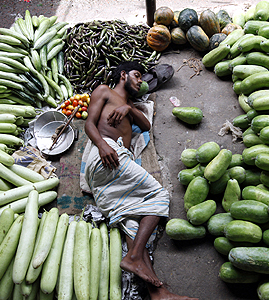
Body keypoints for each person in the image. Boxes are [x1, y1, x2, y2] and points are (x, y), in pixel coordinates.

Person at [84, 61, 198, 300]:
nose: (139, 81)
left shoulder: (131, 105)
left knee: (133, 227)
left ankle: (158, 294)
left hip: (108, 177)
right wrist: (103, 145)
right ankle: (134, 257)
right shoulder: (104, 91)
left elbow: (146, 125)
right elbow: (89, 124)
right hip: (108, 155)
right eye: (136, 75)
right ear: (123, 74)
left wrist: (129, 109)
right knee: (159, 196)